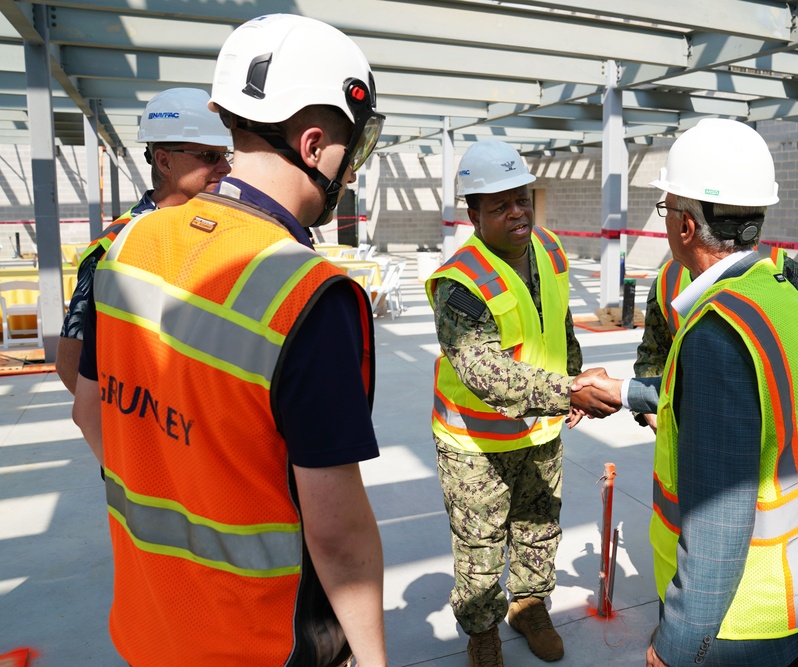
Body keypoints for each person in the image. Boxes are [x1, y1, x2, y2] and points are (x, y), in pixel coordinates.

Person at [71, 14, 387, 666]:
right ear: (313, 144)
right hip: (261, 643)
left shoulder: (127, 246)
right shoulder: (308, 296)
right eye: (349, 149)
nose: (350, 170)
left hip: (147, 624)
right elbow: (338, 537)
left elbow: (88, 408)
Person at [577, 119, 798, 666]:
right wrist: (628, 390)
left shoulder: (718, 331)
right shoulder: (780, 295)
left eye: (666, 209)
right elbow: (755, 406)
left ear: (684, 225)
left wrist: (678, 643)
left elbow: (718, 526)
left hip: (746, 617)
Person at [427, 139, 612, 667]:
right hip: (474, 443)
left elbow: (560, 322)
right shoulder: (459, 284)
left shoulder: (549, 250)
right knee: (480, 548)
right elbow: (485, 374)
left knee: (538, 527)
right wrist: (567, 392)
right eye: (500, 205)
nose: (517, 212)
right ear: (473, 214)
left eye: (523, 199)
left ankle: (529, 606)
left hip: (540, 434)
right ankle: (482, 629)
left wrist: (572, 375)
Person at [56, 87, 232, 394]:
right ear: (164, 161)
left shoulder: (224, 230)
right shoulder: (114, 245)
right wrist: (125, 434)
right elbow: (71, 364)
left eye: (225, 154)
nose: (226, 167)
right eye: (209, 156)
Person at [633, 244, 798, 430]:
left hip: (779, 430)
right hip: (695, 426)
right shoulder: (669, 279)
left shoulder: (784, 270)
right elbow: (653, 355)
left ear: (686, 224)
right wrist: (648, 409)